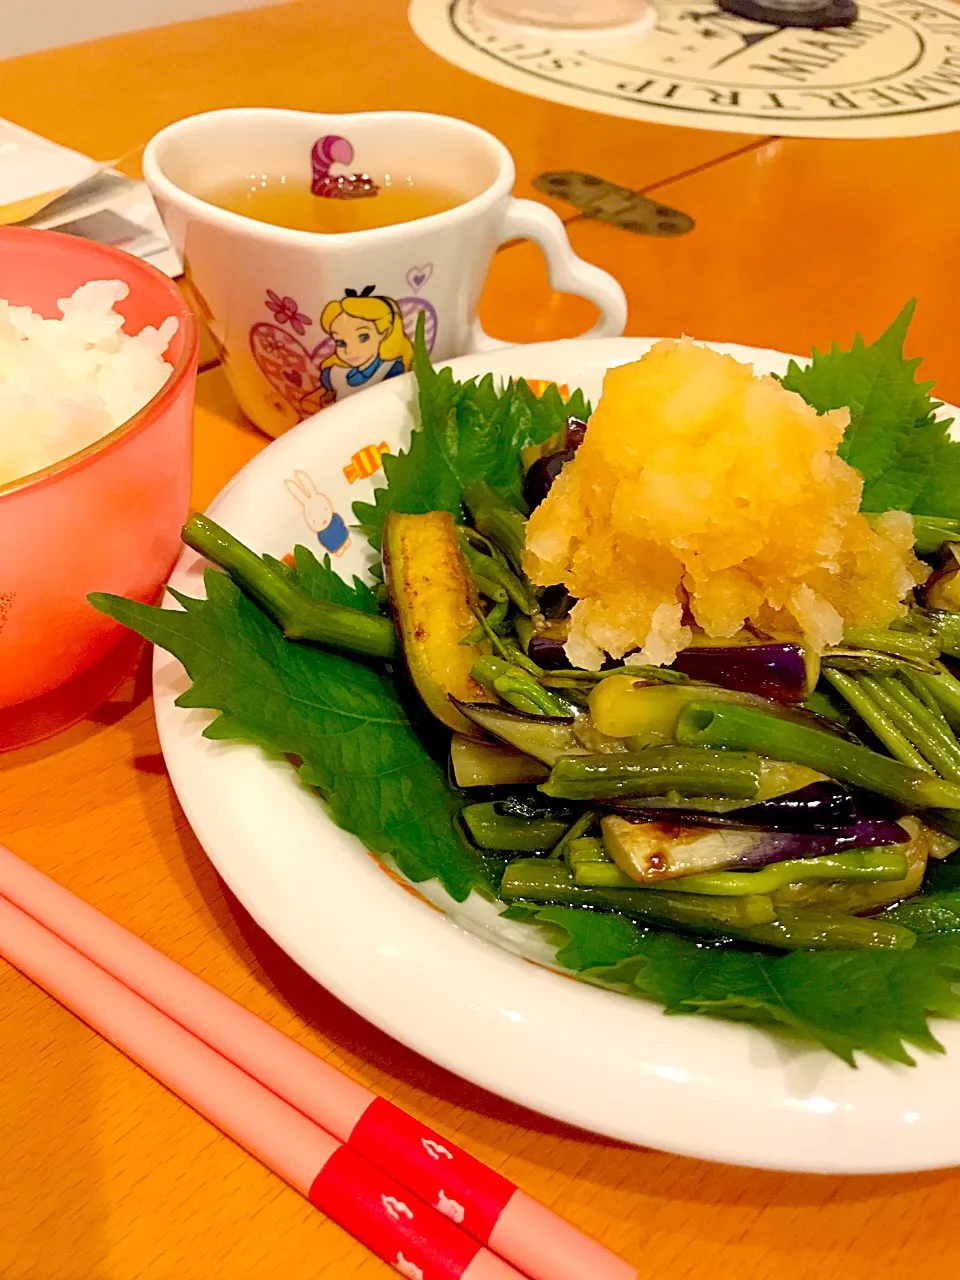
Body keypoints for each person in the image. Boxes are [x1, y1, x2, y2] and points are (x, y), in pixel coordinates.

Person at [317, 288, 414, 401]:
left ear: (384, 333)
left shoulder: (391, 368)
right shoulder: (334, 372)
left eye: (363, 337)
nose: (349, 350)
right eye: (341, 343)